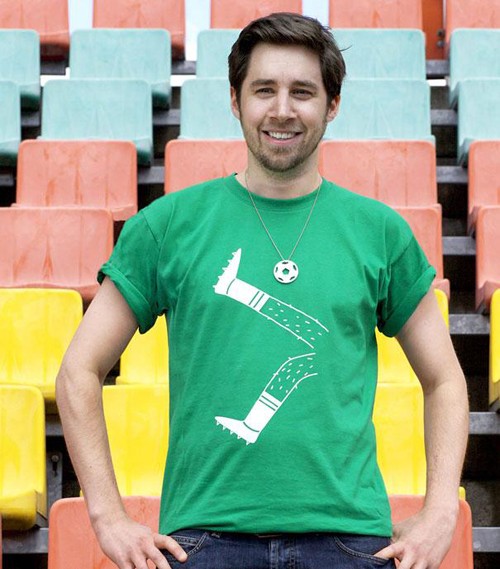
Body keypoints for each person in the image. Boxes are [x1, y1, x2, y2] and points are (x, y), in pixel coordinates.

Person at [56, 12, 469, 569]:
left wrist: (441, 511)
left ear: (332, 105)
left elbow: (445, 379)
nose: (282, 110)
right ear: (235, 100)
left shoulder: (380, 232)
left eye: (302, 92)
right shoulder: (168, 225)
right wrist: (107, 516)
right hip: (204, 543)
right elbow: (78, 370)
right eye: (264, 90)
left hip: (348, 543)